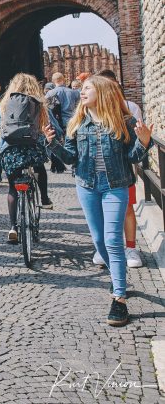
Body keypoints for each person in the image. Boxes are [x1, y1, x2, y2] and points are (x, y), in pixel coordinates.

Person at [44, 76, 153, 326]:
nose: (82, 93)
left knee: (114, 239)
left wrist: (144, 141)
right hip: (87, 186)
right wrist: (53, 143)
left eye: (87, 88)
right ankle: (119, 278)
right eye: (81, 89)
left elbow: (132, 157)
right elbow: (71, 158)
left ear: (102, 92)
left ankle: (119, 298)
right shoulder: (78, 122)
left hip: (115, 186)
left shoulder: (123, 121)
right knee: (98, 240)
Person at [0, 73, 51, 244]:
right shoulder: (38, 103)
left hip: (10, 150)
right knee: (39, 167)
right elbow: (48, 125)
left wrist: (0, 144)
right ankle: (45, 198)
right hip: (32, 147)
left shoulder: (4, 104)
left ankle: (13, 227)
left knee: (12, 188)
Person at [94, 70, 144, 269]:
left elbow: (136, 141)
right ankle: (105, 248)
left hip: (122, 170)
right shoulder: (91, 109)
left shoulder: (130, 108)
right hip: (97, 172)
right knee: (101, 211)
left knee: (127, 209)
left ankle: (130, 247)